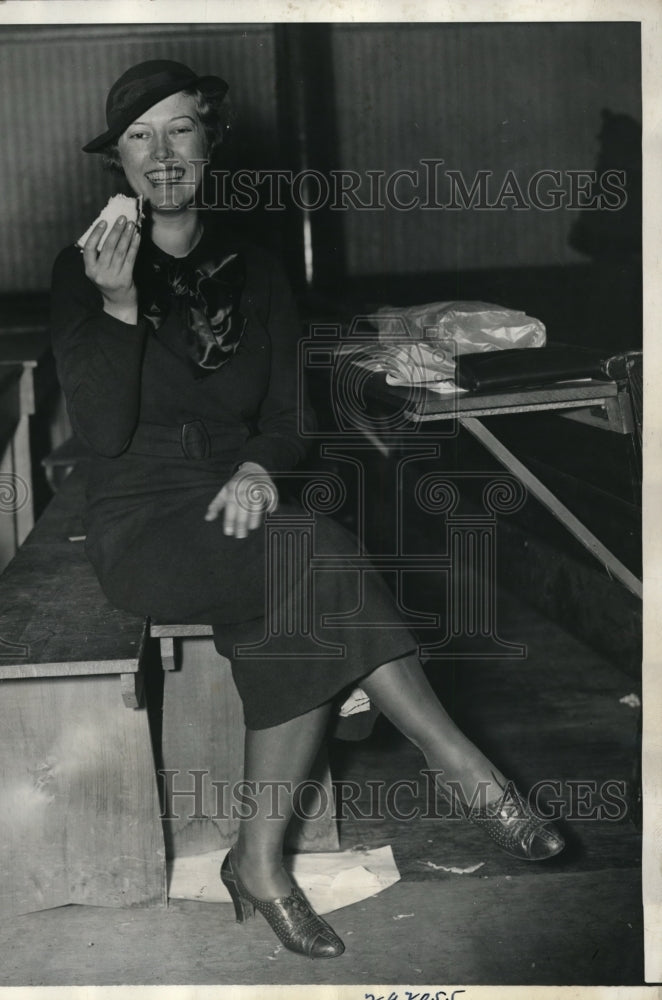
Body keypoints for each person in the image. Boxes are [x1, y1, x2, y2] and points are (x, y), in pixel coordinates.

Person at [50, 59, 564, 960]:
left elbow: (291, 422)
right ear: (119, 161)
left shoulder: (258, 270)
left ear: (210, 142)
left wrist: (256, 466)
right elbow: (99, 431)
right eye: (139, 136)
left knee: (306, 593)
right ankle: (472, 775)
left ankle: (261, 862)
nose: (161, 153)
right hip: (142, 518)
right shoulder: (81, 268)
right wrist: (119, 303)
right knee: (317, 555)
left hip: (242, 506)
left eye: (179, 129)